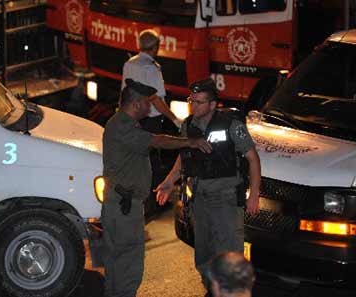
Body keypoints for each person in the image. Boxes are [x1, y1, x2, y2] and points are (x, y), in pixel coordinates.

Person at [101, 78, 211, 297]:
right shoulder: (123, 127)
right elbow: (157, 141)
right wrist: (190, 142)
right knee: (128, 263)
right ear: (136, 104)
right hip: (124, 207)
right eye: (147, 103)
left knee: (116, 261)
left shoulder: (121, 123)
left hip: (119, 204)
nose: (150, 107)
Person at [155, 78, 261, 290]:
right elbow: (184, 156)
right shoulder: (188, 125)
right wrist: (168, 181)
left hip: (226, 197)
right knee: (204, 251)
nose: (193, 106)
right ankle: (210, 288)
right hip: (199, 197)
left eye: (199, 102)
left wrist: (254, 195)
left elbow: (253, 158)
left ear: (213, 104)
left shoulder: (232, 125)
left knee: (229, 253)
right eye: (191, 100)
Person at [122, 29, 183, 214]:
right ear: (156, 48)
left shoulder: (129, 64)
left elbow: (124, 93)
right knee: (153, 162)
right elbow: (157, 100)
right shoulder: (152, 69)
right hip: (151, 122)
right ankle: (155, 202)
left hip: (134, 119)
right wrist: (175, 120)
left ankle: (135, 200)